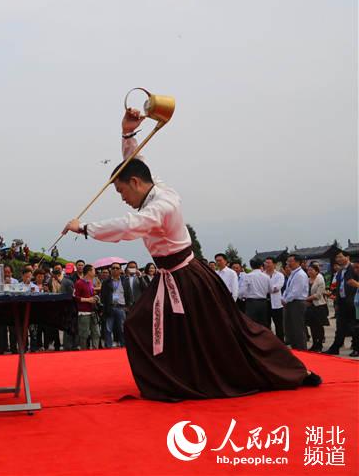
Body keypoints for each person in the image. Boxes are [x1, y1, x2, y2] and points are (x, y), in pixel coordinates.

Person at [62, 107, 319, 401]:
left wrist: (83, 228)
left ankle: (288, 370)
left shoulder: (161, 205)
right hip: (169, 278)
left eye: (122, 193)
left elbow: (128, 227)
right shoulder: (152, 188)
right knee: (146, 326)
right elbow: (135, 162)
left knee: (229, 332)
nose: (124, 200)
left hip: (187, 279)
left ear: (135, 184)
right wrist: (128, 132)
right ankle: (177, 379)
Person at [324, 250, 358, 356]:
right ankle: (335, 347)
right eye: (337, 257)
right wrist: (337, 301)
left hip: (353, 302)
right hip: (342, 302)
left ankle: (357, 348)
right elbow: (339, 287)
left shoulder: (354, 268)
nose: (338, 259)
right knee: (340, 326)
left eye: (340, 257)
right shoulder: (339, 271)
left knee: (355, 327)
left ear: (347, 257)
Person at [282, 254, 309, 350]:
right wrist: (284, 297)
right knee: (290, 328)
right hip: (290, 302)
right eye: (287, 261)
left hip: (297, 303)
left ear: (297, 262)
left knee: (298, 328)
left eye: (290, 261)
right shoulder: (293, 273)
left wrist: (285, 300)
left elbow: (296, 292)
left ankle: (302, 349)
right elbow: (288, 288)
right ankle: (295, 348)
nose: (288, 263)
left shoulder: (301, 275)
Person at [74, 264, 101, 350]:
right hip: (84, 313)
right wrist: (87, 300)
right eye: (93, 270)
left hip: (93, 312)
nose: (95, 272)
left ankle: (95, 349)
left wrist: (96, 297)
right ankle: (83, 351)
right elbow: (75, 297)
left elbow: (91, 294)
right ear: (89, 272)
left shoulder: (90, 282)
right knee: (84, 334)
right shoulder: (79, 283)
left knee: (96, 333)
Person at [240, 258, 271, 327]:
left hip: (251, 303)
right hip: (263, 302)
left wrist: (241, 297)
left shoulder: (248, 276)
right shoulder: (266, 277)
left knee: (251, 324)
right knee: (263, 324)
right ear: (261, 265)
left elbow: (242, 291)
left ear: (251, 266)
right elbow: (270, 290)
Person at [305, 263, 328, 352]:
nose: (309, 272)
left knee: (318, 326)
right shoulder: (307, 280)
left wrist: (306, 299)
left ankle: (319, 344)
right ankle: (314, 343)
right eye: (308, 270)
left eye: (311, 270)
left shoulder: (320, 279)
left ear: (316, 271)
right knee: (312, 326)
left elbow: (318, 295)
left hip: (318, 306)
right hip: (309, 306)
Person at [264, 257, 286, 341]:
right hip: (265, 303)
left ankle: (281, 342)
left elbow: (277, 288)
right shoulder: (262, 274)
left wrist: (267, 289)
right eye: (266, 263)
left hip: (277, 304)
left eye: (269, 263)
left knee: (279, 325)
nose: (267, 264)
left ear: (274, 264)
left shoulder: (279, 275)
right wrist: (270, 289)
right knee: (266, 325)